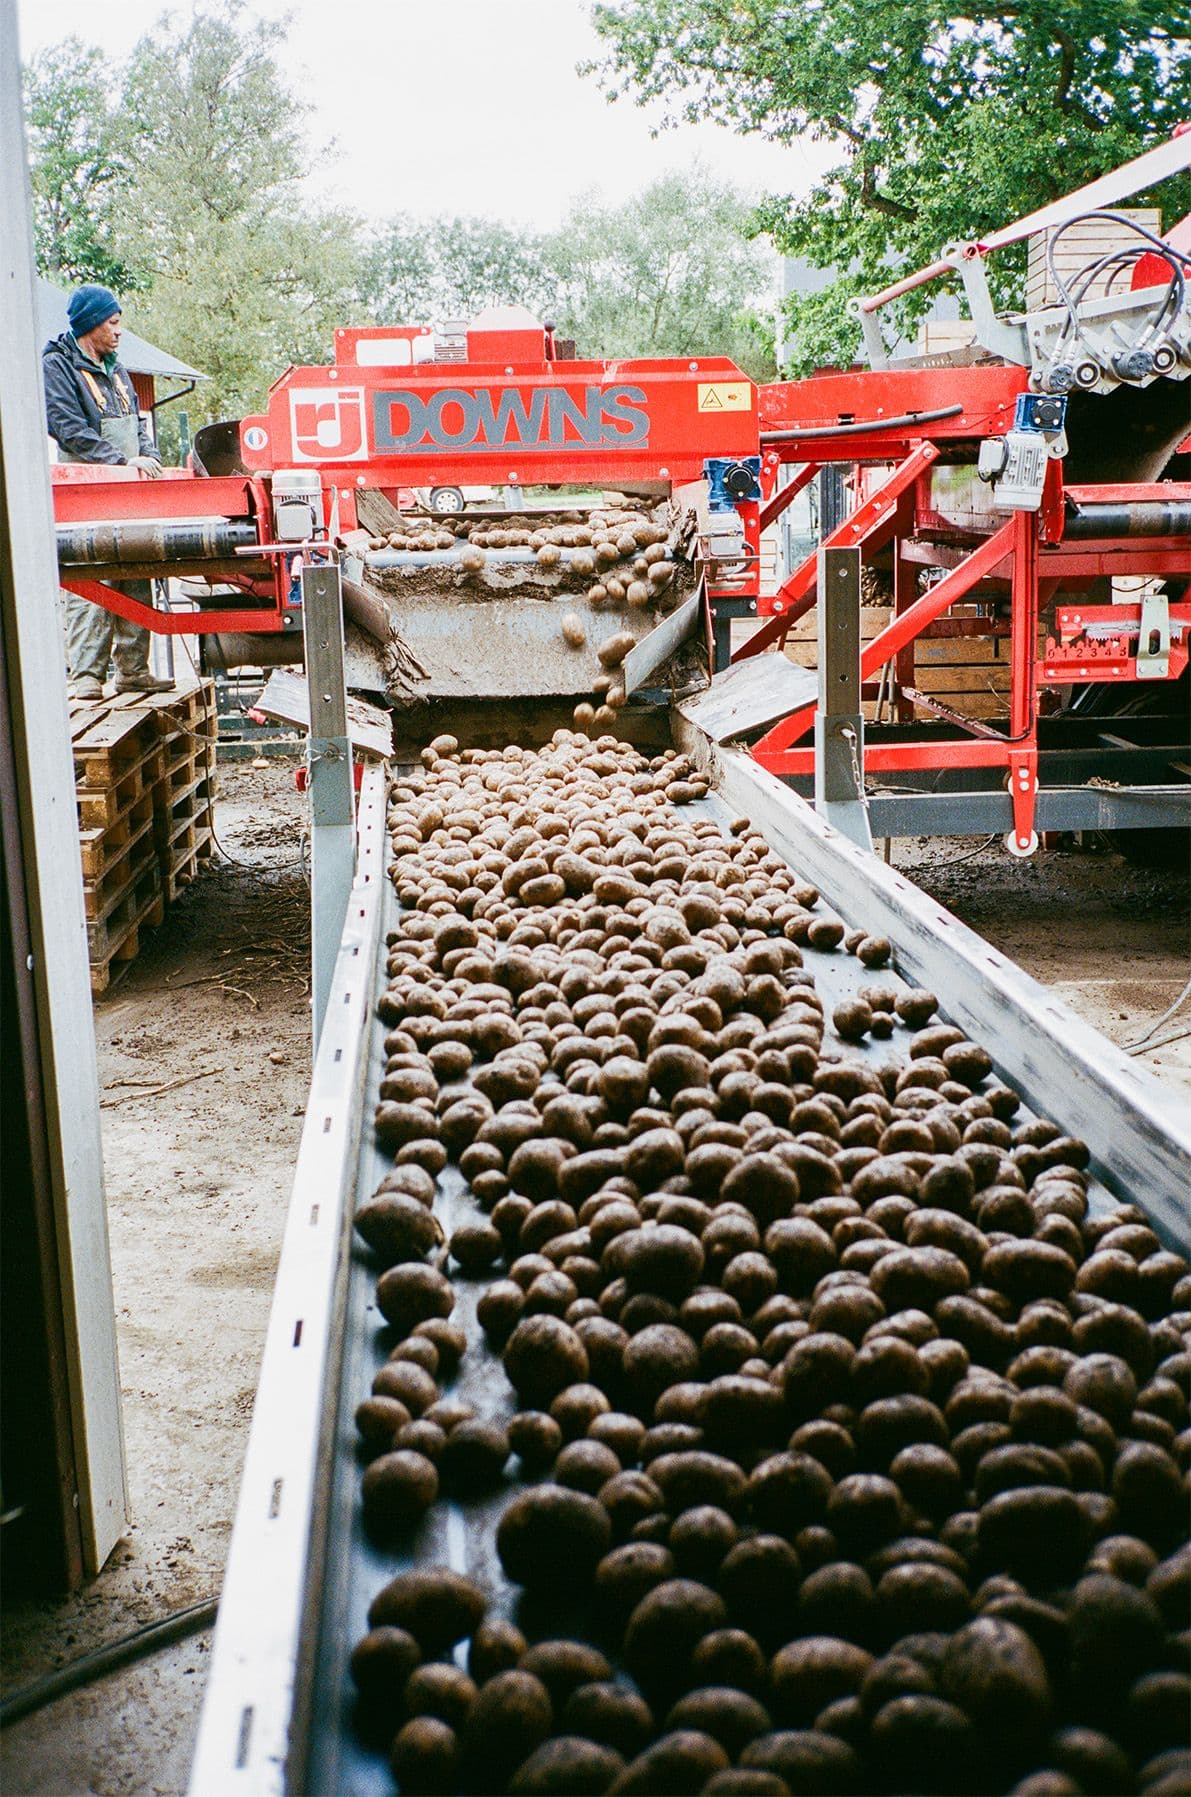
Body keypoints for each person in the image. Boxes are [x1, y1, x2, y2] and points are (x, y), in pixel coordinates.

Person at [43, 284, 174, 698]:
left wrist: (147, 455)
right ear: (91, 325)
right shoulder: (58, 367)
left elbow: (136, 422)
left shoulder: (116, 368)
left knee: (137, 570)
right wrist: (119, 462)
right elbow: (67, 427)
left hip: (128, 493)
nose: (119, 331)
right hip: (87, 495)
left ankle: (133, 669)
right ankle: (87, 676)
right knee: (91, 579)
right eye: (113, 323)